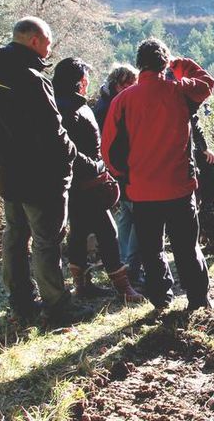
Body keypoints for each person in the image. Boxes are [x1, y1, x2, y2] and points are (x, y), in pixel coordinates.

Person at [0, 16, 80, 324]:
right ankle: (57, 306)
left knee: (15, 236)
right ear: (34, 40)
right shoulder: (31, 77)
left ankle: (20, 301)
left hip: (8, 173)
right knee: (47, 240)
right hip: (41, 177)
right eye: (47, 41)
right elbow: (53, 131)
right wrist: (70, 156)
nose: (50, 47)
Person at [102, 38, 214, 311]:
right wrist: (178, 65)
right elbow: (207, 83)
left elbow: (108, 149)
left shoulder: (123, 100)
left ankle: (161, 300)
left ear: (139, 64)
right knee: (187, 248)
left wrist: (125, 177)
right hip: (179, 187)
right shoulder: (181, 92)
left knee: (152, 250)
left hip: (142, 190)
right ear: (164, 62)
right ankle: (198, 300)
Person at [53, 58, 144, 302]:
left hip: (85, 181)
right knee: (108, 231)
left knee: (80, 231)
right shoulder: (66, 109)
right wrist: (98, 167)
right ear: (79, 82)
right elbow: (68, 150)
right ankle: (123, 287)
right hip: (84, 183)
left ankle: (82, 286)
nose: (88, 82)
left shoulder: (73, 104)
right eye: (85, 78)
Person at [91, 64, 142, 286]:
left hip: (116, 167)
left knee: (127, 215)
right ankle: (131, 266)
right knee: (138, 216)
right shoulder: (111, 106)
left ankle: (123, 260)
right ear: (119, 83)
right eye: (129, 84)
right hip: (123, 167)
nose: (132, 89)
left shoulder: (106, 101)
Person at [93, 64, 137, 130]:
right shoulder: (106, 107)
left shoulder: (109, 100)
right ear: (115, 84)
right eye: (126, 87)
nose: (129, 91)